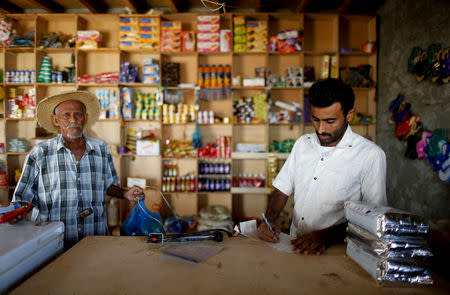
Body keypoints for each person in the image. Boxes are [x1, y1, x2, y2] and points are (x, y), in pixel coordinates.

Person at [257, 78, 387, 255]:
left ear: (349, 115)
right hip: (296, 245)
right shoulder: (303, 143)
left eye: (330, 121)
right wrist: (269, 220)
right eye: (316, 120)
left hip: (337, 250)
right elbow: (281, 189)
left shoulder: (370, 155)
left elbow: (374, 216)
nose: (321, 129)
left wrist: (326, 236)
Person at [13, 90, 144, 248]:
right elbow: (22, 198)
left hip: (94, 238)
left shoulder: (101, 148)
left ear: (85, 118)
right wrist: (16, 215)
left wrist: (124, 193)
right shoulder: (40, 153)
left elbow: (108, 185)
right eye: (66, 115)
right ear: (55, 120)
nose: (73, 120)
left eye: (78, 114)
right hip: (53, 243)